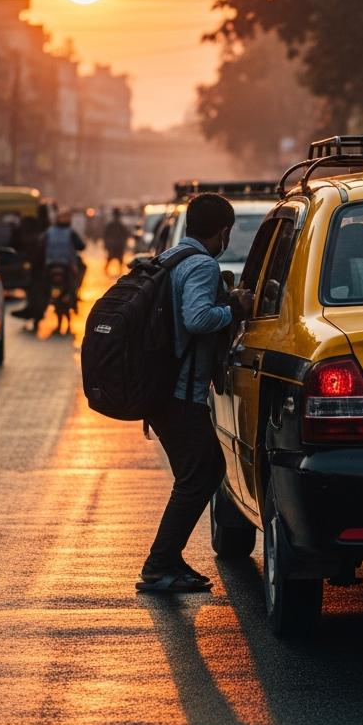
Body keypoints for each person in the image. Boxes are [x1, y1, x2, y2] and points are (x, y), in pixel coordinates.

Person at [137, 192, 254, 593]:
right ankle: (158, 565)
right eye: (228, 235)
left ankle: (168, 559)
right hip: (180, 394)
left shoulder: (169, 259)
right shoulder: (202, 264)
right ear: (222, 232)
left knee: (201, 473)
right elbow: (198, 317)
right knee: (200, 473)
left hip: (163, 390)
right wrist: (236, 308)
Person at [14, 206, 86, 329]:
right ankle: (74, 294)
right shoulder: (70, 232)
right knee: (81, 271)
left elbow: (40, 247)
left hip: (50, 265)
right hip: (67, 265)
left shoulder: (48, 232)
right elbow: (81, 246)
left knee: (42, 287)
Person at [102, 208, 130, 275]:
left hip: (114, 245)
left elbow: (106, 235)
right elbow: (126, 235)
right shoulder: (120, 225)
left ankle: (114, 271)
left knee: (112, 259)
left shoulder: (112, 225)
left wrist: (106, 245)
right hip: (118, 245)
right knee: (116, 259)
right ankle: (118, 271)